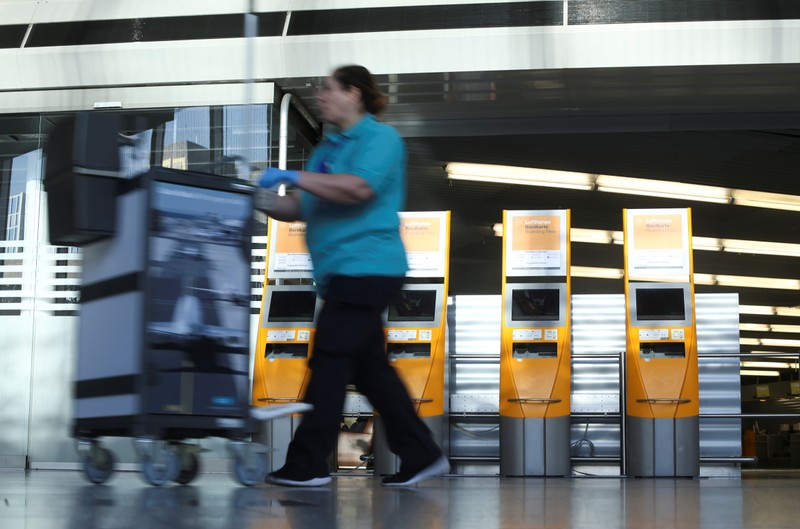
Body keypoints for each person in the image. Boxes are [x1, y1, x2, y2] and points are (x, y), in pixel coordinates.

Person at [256, 65, 449, 487]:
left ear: (354, 94)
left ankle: (307, 463)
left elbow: (359, 188)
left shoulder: (380, 139)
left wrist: (293, 176)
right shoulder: (326, 150)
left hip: (368, 267)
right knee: (369, 370)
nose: (320, 97)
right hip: (340, 273)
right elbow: (299, 208)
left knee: (327, 359)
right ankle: (423, 453)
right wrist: (261, 199)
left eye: (328, 89)